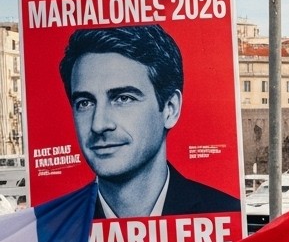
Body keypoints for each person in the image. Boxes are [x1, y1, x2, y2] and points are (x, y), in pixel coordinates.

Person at [59, 25, 240, 219]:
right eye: (85, 103)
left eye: (123, 98)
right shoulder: (52, 226)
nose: (99, 125)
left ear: (170, 108)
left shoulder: (225, 213)